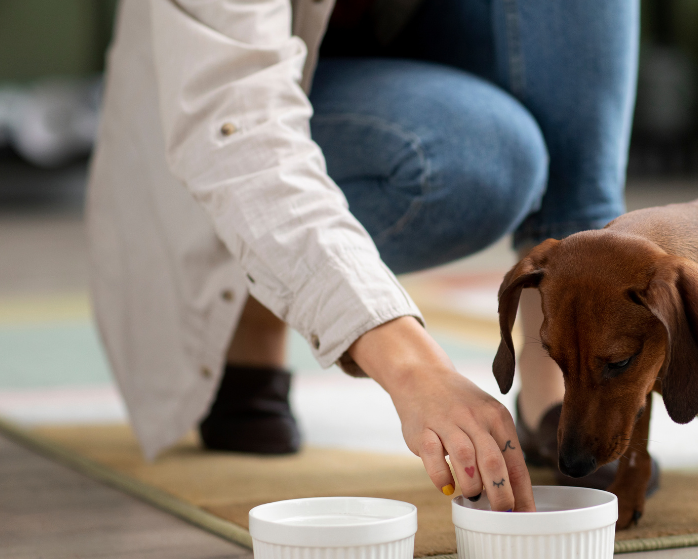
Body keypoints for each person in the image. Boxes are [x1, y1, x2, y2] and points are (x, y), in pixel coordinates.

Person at [85, 0, 639, 513]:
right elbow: (237, 129)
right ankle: (250, 310)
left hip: (416, 46)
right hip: (245, 106)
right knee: (483, 162)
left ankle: (558, 370)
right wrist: (415, 369)